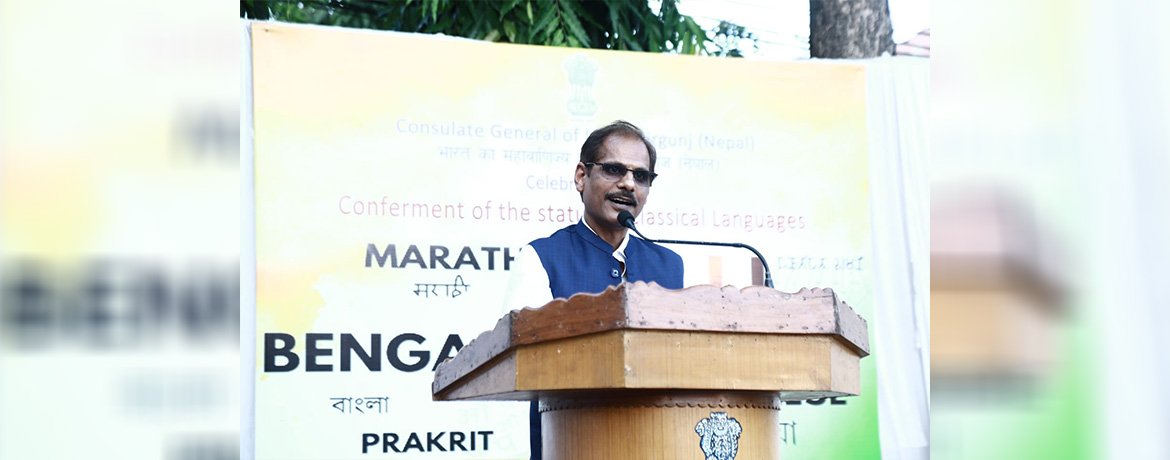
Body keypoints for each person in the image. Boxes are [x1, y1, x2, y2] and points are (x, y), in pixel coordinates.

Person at [501, 120, 684, 459]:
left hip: (658, 442)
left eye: (641, 176)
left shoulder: (671, 264)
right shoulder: (541, 257)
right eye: (614, 170)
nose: (628, 183)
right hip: (572, 443)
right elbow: (519, 363)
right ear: (581, 177)